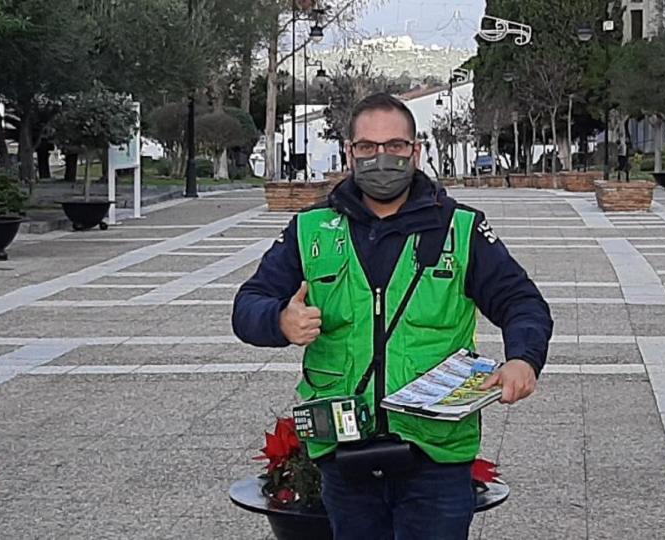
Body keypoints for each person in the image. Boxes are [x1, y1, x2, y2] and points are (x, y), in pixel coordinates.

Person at [232, 93, 553, 540]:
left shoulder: (460, 229)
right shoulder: (311, 230)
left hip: (436, 455)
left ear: (415, 151)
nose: (381, 158)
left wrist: (523, 358)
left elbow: (522, 302)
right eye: (367, 147)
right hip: (345, 452)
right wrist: (279, 321)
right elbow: (247, 305)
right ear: (350, 152)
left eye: (396, 146)